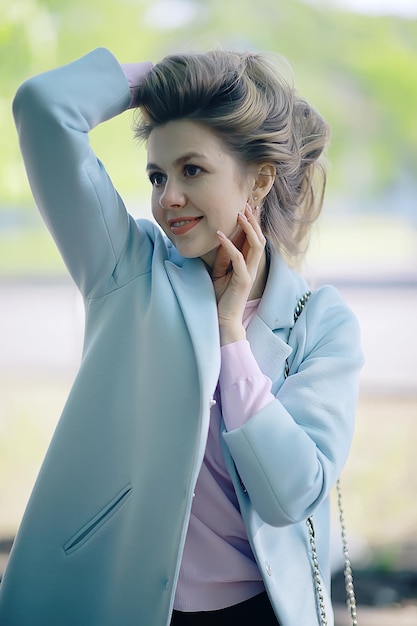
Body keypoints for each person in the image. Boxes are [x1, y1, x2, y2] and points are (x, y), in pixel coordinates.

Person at [0, 47, 363, 626]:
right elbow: (43, 108)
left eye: (192, 170)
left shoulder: (321, 322)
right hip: (129, 606)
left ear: (260, 180)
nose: (168, 196)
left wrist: (231, 338)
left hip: (260, 613)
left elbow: (291, 496)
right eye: (157, 175)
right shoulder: (127, 266)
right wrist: (169, 78)